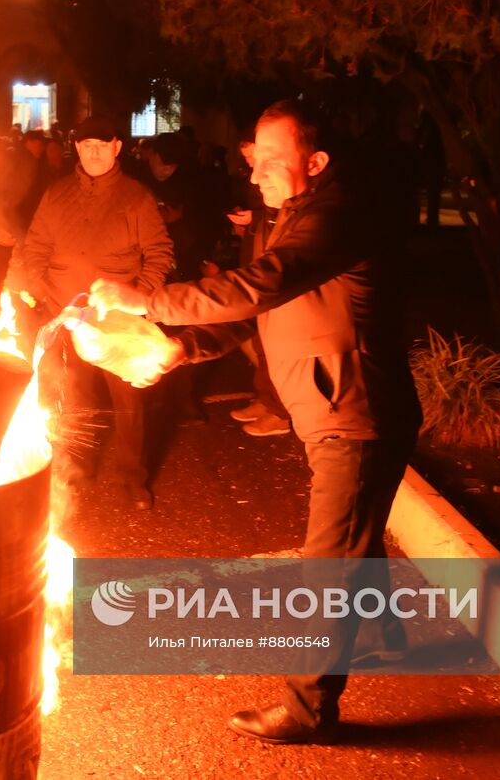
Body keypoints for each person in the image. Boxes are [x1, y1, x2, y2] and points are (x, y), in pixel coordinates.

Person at [88, 99, 420, 741]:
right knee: (356, 539)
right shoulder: (288, 217)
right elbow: (252, 312)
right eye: (253, 160)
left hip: (357, 415)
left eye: (273, 160)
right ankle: (384, 635)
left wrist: (152, 299)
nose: (258, 173)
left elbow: (260, 285)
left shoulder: (337, 216)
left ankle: (308, 708)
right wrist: (182, 347)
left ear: (314, 162)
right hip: (332, 406)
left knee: (332, 561)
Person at [15, 114, 174, 509]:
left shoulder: (136, 196)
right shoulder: (57, 193)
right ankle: (80, 463)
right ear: (78, 150)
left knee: (128, 401)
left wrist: (138, 297)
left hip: (118, 319)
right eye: (87, 147)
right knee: (78, 391)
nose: (95, 153)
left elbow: (160, 253)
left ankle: (131, 479)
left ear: (117, 147)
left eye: (103, 146)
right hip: (68, 313)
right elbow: (35, 246)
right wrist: (41, 284)